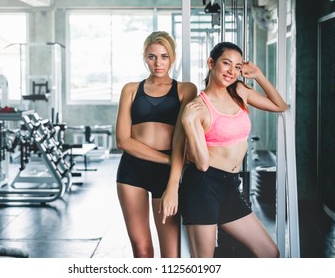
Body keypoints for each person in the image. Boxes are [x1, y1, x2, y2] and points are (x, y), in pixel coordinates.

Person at [178, 41, 288, 258]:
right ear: (211, 63)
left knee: (269, 253)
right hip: (202, 187)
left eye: (237, 66)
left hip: (230, 186)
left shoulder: (239, 91)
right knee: (204, 264)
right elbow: (200, 164)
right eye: (226, 63)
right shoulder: (199, 107)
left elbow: (280, 106)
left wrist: (258, 75)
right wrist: (189, 123)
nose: (231, 71)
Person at [115, 31, 197, 258]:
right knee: (141, 251)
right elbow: (123, 141)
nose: (158, 63)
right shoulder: (130, 89)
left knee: (171, 255)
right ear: (145, 57)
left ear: (172, 58)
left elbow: (182, 138)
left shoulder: (185, 90)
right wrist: (168, 159)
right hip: (132, 171)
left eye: (164, 56)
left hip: (167, 174)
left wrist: (173, 179)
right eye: (152, 56)